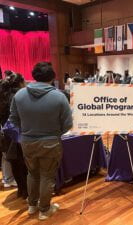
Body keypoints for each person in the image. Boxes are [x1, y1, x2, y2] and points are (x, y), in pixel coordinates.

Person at [9, 62, 73, 220]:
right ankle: (44, 210)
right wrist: (53, 133)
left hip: (27, 142)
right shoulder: (59, 96)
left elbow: (13, 120)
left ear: (34, 76)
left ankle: (32, 205)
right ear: (53, 77)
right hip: (51, 143)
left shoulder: (19, 95)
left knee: (32, 174)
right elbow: (68, 125)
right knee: (47, 176)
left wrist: (25, 132)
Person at [2, 73, 28, 198]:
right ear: (21, 82)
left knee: (14, 162)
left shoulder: (3, 95)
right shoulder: (21, 96)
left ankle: (21, 190)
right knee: (24, 163)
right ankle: (26, 191)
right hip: (20, 134)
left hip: (7, 134)